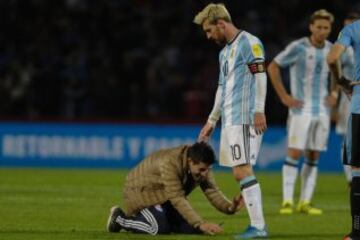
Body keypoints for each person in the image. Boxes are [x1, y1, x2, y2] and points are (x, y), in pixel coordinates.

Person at [194, 3, 268, 239]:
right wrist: (212, 120)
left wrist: (259, 110)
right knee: (240, 171)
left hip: (245, 117)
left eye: (208, 30)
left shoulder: (250, 42)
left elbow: (261, 75)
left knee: (242, 170)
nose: (208, 36)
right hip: (230, 119)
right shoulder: (224, 53)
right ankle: (257, 226)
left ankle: (258, 227)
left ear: (220, 23)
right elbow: (222, 87)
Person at [267, 9, 337, 215]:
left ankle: (305, 202)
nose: (322, 31)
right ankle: (287, 201)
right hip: (301, 109)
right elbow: (273, 67)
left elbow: (336, 72)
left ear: (330, 28)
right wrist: (284, 96)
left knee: (314, 155)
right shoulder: (298, 47)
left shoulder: (333, 49)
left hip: (322, 111)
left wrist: (334, 93)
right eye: (319, 27)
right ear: (311, 27)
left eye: (326, 28)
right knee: (295, 152)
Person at [106, 142, 244, 236]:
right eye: (202, 170)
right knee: (157, 228)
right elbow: (177, 197)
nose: (205, 174)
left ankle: (162, 218)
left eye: (207, 169)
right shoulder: (170, 163)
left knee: (191, 229)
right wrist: (200, 223)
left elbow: (212, 191)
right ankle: (119, 218)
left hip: (163, 197)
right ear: (190, 161)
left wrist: (230, 207)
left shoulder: (201, 165)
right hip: (140, 194)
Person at [327, 15, 360, 240]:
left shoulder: (353, 29)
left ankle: (357, 233)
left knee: (358, 171)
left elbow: (332, 58)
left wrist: (340, 80)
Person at [335, 12, 360, 187]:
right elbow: (334, 70)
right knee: (348, 139)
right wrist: (335, 95)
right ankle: (351, 179)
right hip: (348, 98)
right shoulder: (342, 51)